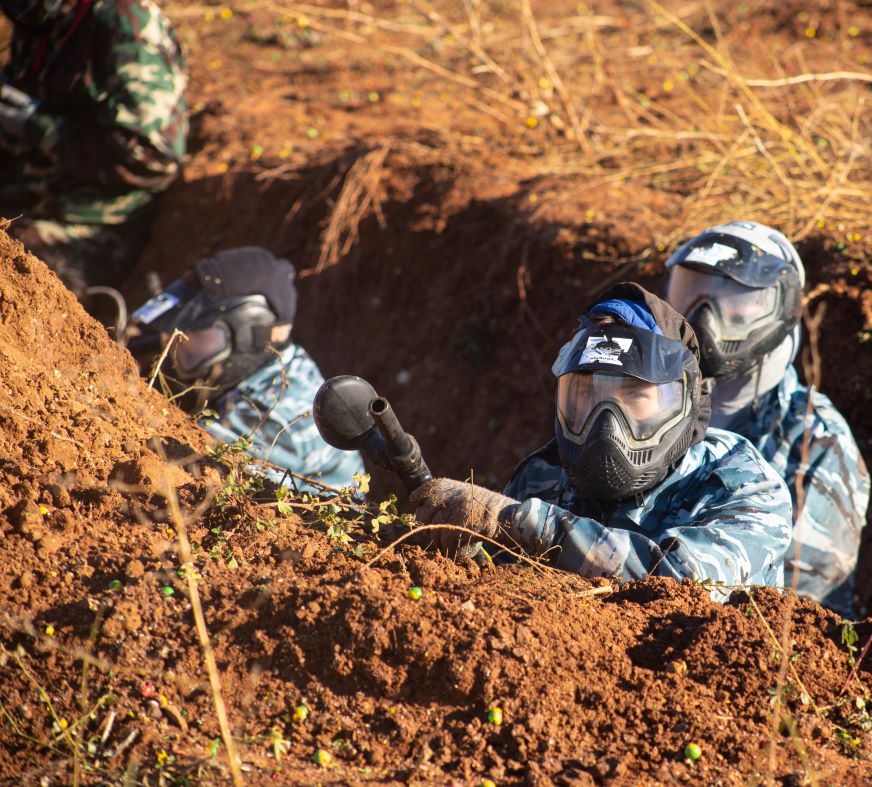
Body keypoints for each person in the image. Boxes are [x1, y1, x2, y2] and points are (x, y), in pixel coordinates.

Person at [408, 283, 796, 598]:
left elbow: (684, 583)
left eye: (635, 396)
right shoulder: (543, 478)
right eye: (586, 397)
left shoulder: (742, 485)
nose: (606, 425)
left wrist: (516, 520)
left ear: (686, 405)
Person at [663, 220, 870, 616]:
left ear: (781, 308)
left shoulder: (815, 440)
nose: (703, 318)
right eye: (690, 293)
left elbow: (789, 600)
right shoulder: (655, 403)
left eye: (735, 300)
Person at [126, 247, 365, 492]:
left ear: (247, 332)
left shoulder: (272, 415)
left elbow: (184, 458)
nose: (177, 345)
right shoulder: (274, 364)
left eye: (196, 334)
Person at [0, 0, 187, 297]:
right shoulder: (41, 20)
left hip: (90, 225)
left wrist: (39, 128)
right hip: (24, 202)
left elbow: (153, 157)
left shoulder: (123, 21)